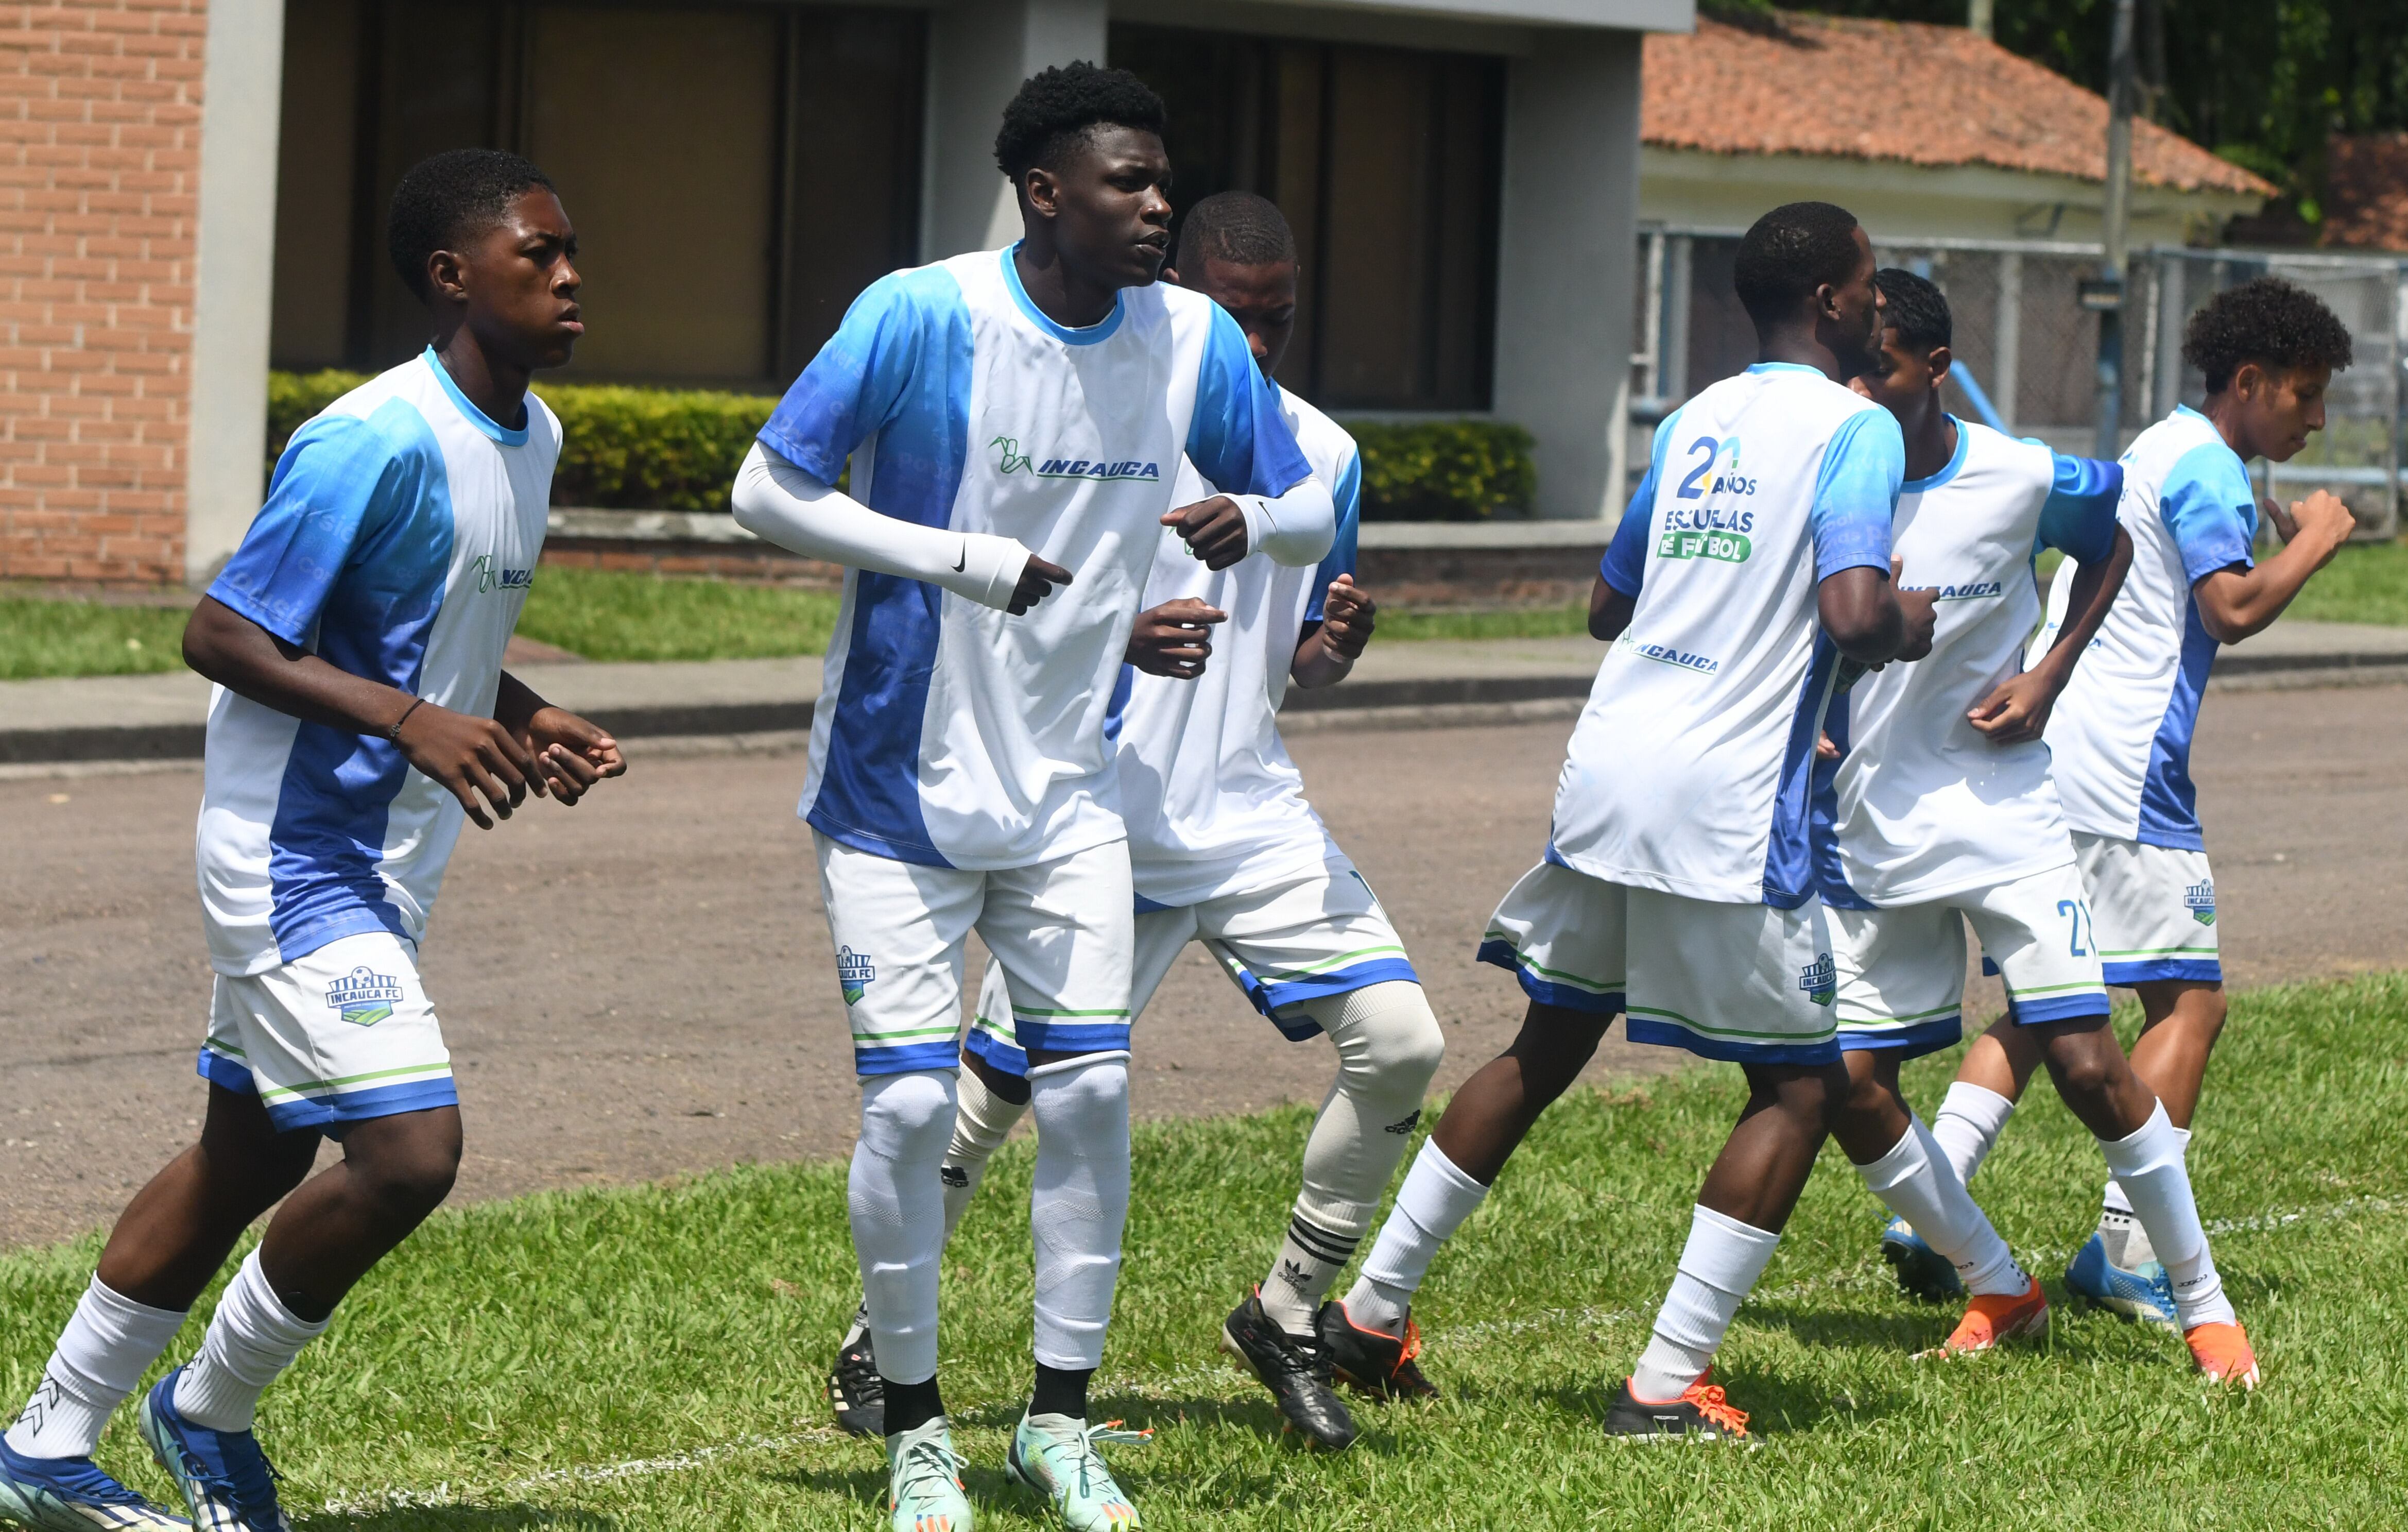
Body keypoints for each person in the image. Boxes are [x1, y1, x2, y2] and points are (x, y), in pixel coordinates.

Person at [729, 67, 1332, 1532]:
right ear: (1044, 192)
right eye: (1126, 182)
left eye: (1163, 181)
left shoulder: (1189, 336)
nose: (1155, 204)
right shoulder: (920, 312)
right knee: (915, 1103)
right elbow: (763, 488)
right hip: (893, 790)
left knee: (1097, 1090)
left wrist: (1249, 516)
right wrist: (955, 556)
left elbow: (1305, 498)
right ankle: (918, 1429)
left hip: (1070, 788)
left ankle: (1057, 1425)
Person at [0, 149, 620, 1532]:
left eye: (572, 252)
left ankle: (43, 1444)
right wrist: (413, 717)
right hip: (291, 853)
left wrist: (523, 710)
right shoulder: (371, 436)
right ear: (454, 275)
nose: (571, 275)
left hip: (388, 854)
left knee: (251, 1151)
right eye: (540, 253)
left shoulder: (534, 438)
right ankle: (205, 1408)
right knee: (409, 1152)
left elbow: (426, 634)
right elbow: (221, 631)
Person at [822, 190, 1438, 1456]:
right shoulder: (1110, 409)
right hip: (1103, 809)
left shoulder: (1318, 452)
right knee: (983, 1104)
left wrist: (1328, 651)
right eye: (1236, 319)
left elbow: (1288, 654)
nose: (1255, 348)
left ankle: (1285, 1309)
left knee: (1402, 1042)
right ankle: (878, 1344)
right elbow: (1010, 605)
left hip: (1251, 812)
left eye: (1276, 323)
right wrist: (1116, 641)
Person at [1329, 202, 1930, 1440]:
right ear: (1828, 297)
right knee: (1800, 1088)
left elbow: (1609, 605)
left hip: (1607, 770)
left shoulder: (1694, 418)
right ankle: (1664, 1384)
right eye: (1866, 283)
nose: (1878, 301)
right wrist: (1907, 626)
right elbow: (1858, 610)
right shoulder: (1857, 426)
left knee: (1545, 1045)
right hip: (1723, 796)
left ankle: (1367, 1313)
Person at [1913, 276, 2357, 1332]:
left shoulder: (2155, 447)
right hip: (2125, 774)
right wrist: (2318, 537)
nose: (2317, 418)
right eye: (2303, 394)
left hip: (2059, 758)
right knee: (2188, 1004)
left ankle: (1927, 1207)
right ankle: (2125, 1247)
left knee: (2046, 1000)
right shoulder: (2205, 464)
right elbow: (2231, 605)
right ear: (2247, 381)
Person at [1809, 268, 2144, 1355]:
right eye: (1848, 365)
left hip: (2004, 804)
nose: (1859, 388)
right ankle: (1994, 1277)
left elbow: (2112, 539)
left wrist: (2048, 673)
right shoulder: (1829, 471)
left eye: (1883, 366)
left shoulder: (2017, 474)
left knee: (2093, 1050)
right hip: (1862, 815)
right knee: (1843, 1079)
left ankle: (2188, 1289)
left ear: (1937, 368)